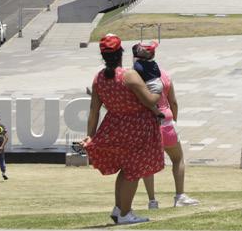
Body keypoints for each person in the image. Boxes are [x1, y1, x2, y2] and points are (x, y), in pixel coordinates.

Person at [81, 34, 165, 226]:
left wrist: (90, 135)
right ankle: (125, 214)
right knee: (133, 171)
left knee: (125, 170)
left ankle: (119, 209)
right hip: (137, 129)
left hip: (115, 127)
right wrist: (158, 88)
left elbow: (94, 111)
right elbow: (150, 100)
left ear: (103, 56)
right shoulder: (129, 75)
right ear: (120, 53)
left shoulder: (99, 78)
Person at [133, 41, 199, 209]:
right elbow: (173, 102)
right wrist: (174, 119)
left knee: (148, 165)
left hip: (145, 125)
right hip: (166, 123)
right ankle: (179, 196)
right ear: (153, 55)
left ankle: (152, 201)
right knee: (177, 159)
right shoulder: (163, 75)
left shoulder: (133, 76)